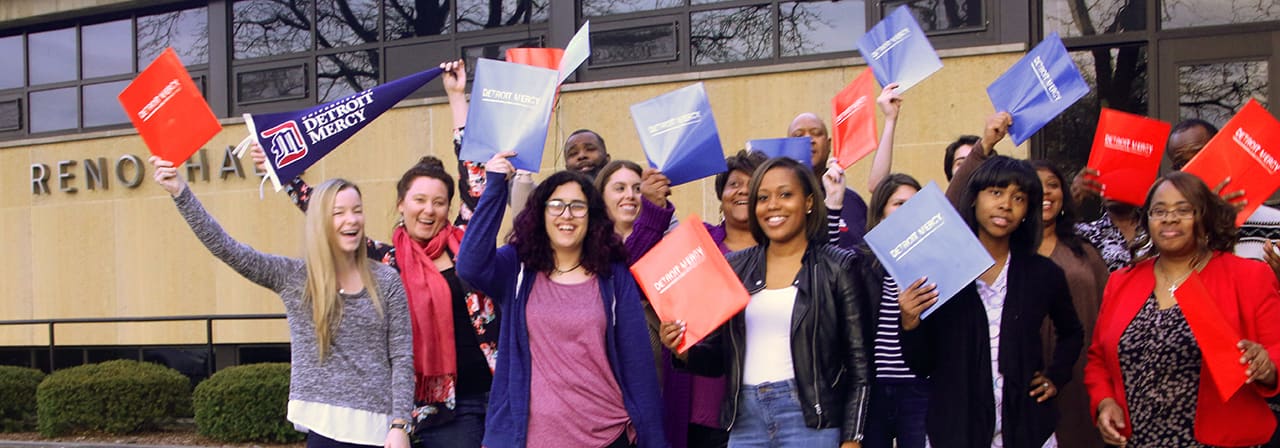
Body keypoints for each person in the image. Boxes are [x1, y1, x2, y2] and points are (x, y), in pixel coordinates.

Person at [150, 157, 413, 448]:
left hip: (381, 431)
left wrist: (400, 424)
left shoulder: (387, 280)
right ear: (320, 222)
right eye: (338, 213)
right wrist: (180, 193)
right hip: (325, 427)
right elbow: (227, 249)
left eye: (357, 211)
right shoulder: (294, 278)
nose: (351, 220)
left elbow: (401, 357)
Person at [457, 152, 665, 447]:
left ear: (592, 216)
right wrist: (494, 187)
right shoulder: (518, 266)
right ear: (540, 214)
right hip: (531, 439)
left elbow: (637, 360)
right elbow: (470, 265)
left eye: (578, 207)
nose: (566, 215)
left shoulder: (612, 274)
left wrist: (655, 440)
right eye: (555, 205)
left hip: (607, 436)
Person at [661, 156, 870, 447]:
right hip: (745, 420)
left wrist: (853, 438)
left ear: (809, 202)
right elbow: (720, 358)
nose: (773, 205)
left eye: (785, 194)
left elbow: (860, 367)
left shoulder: (839, 268)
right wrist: (683, 350)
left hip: (811, 420)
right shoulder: (736, 267)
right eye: (763, 197)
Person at [1084, 171, 1280, 447]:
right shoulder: (1122, 281)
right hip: (1137, 439)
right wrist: (1104, 402)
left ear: (1205, 216)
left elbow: (1276, 348)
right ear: (1148, 220)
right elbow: (1098, 359)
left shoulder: (1249, 276)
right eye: (1159, 211)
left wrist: (1267, 366)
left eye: (1183, 210)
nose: (1169, 218)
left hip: (1220, 440)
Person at [902, 154, 1084, 447]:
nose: (1005, 204)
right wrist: (910, 323)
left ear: (1027, 210)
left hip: (1027, 431)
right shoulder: (942, 271)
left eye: (1019, 197)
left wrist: (1055, 377)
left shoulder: (1042, 273)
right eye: (996, 192)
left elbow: (1072, 332)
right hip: (955, 431)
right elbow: (922, 365)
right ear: (974, 198)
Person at [1029, 160, 1108, 448]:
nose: (1046, 193)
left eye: (1053, 185)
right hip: (1027, 381)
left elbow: (1109, 317)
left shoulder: (1085, 253)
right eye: (1036, 186)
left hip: (1080, 375)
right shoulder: (1008, 253)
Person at [856, 173, 930, 448]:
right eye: (899, 203)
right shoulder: (862, 263)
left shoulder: (934, 262)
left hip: (918, 388)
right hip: (874, 388)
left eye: (915, 203)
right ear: (881, 212)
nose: (908, 210)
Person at [788, 112, 870, 247]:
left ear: (828, 144)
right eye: (798, 135)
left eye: (816, 133)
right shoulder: (782, 204)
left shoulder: (853, 201)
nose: (809, 139)